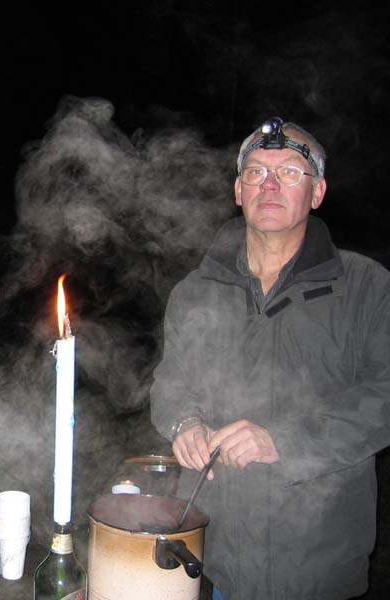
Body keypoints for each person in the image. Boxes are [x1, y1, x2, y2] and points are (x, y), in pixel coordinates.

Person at [150, 117, 390, 599]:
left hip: (318, 567)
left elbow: (383, 398)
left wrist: (283, 441)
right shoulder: (196, 291)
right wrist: (184, 424)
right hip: (216, 559)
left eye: (290, 172)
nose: (270, 185)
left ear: (317, 192)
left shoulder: (367, 287)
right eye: (256, 172)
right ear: (239, 191)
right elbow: (171, 383)